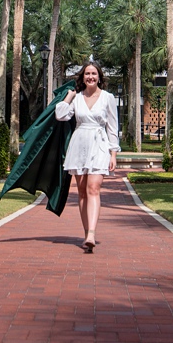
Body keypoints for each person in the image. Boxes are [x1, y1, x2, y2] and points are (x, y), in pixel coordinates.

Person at [55, 61, 119, 252]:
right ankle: (86, 234)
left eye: (94, 73)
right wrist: (68, 96)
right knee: (82, 191)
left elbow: (113, 128)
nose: (90, 77)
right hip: (79, 144)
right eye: (87, 74)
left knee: (93, 188)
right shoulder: (77, 98)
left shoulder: (108, 98)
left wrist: (113, 154)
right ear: (82, 77)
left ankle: (92, 233)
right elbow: (61, 115)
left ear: (99, 76)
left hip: (99, 144)